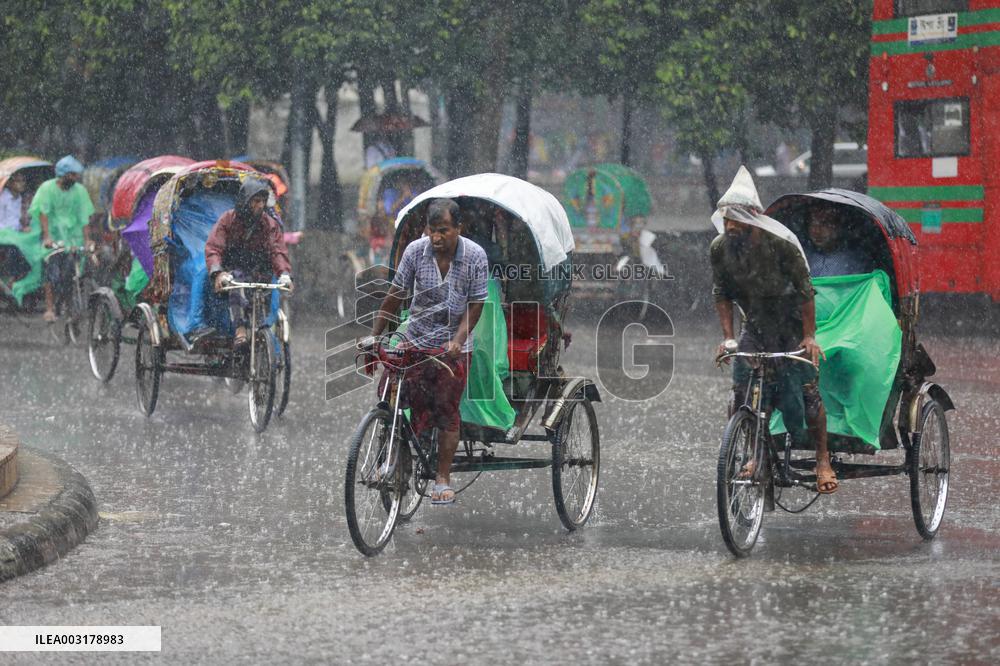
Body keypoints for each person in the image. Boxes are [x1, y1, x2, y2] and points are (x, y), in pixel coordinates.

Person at [709, 166, 837, 494]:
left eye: (738, 219)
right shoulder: (721, 249)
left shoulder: (781, 245)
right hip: (756, 324)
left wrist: (809, 336)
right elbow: (721, 293)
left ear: (754, 218)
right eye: (727, 220)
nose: (732, 226)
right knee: (742, 395)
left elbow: (806, 291)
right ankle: (755, 452)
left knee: (809, 394)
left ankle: (823, 460)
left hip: (792, 323)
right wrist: (728, 337)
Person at [368, 198, 489, 505]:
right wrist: (373, 337)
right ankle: (394, 457)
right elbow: (396, 294)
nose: (437, 238)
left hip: (452, 345)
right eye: (432, 230)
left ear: (458, 229)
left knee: (446, 409)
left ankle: (442, 478)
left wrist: (458, 341)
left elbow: (476, 305)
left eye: (444, 231)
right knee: (390, 393)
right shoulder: (414, 251)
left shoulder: (475, 255)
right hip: (417, 337)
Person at [205, 177, 293, 346]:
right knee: (237, 280)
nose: (260, 205)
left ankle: (263, 333)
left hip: (260, 271)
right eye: (256, 201)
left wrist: (284, 273)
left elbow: (277, 251)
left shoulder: (269, 224)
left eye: (263, 201)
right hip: (233, 272)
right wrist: (218, 272)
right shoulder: (228, 220)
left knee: (266, 294)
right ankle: (239, 328)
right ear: (245, 201)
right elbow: (214, 248)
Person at [29, 155, 94, 322]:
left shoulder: (80, 191)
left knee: (72, 272)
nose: (75, 178)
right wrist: (47, 237)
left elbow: (84, 217)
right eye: (72, 174)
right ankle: (49, 309)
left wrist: (87, 240)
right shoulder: (47, 188)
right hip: (53, 234)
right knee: (51, 273)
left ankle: (70, 306)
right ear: (63, 174)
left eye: (76, 174)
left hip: (73, 236)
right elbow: (43, 213)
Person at [803, 206, 874, 277]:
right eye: (813, 224)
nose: (817, 231)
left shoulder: (854, 261)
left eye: (824, 224)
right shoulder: (802, 255)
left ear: (838, 226)